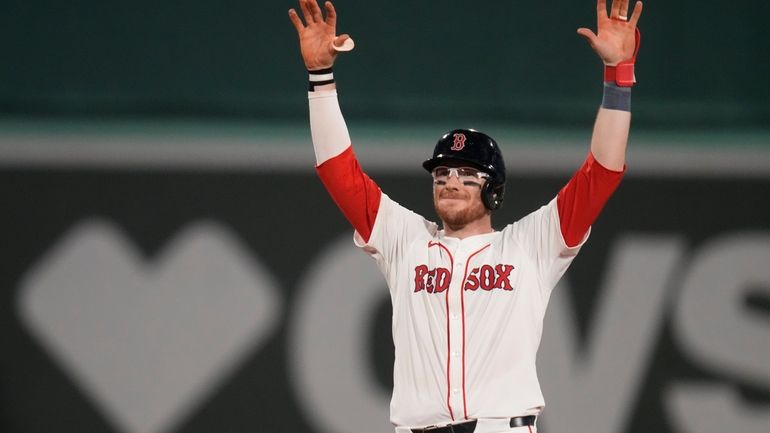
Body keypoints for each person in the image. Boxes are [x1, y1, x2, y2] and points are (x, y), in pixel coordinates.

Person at [288, 0, 643, 432]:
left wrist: (618, 76)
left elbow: (602, 172)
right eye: (442, 172)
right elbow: (337, 172)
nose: (451, 181)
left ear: (493, 188)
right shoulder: (405, 242)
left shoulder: (532, 244)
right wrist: (320, 80)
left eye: (467, 174)